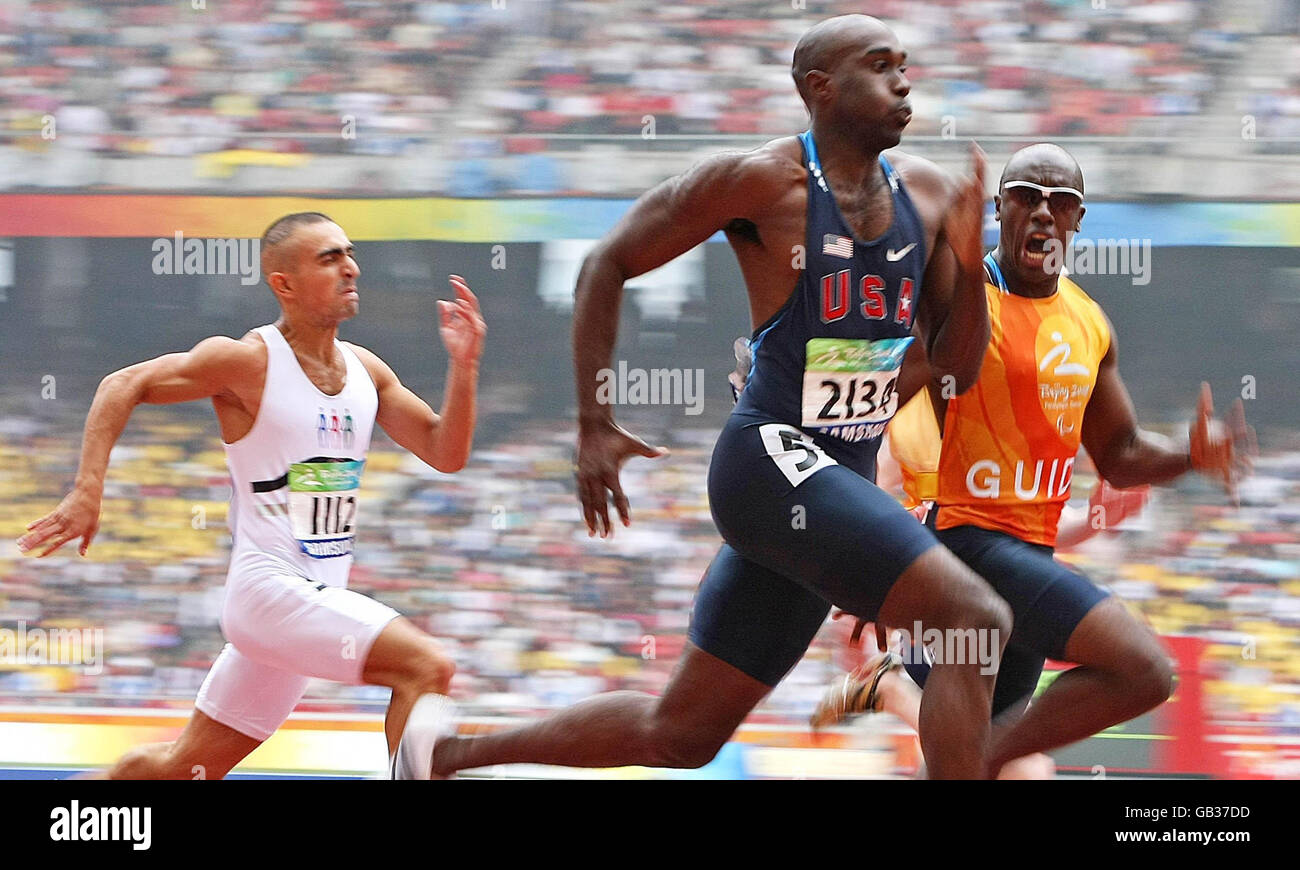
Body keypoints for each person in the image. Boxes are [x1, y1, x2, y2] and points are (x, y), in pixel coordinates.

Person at [427, 14, 1015, 780]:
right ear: (819, 88)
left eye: (905, 64)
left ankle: (449, 756)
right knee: (975, 617)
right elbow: (607, 262)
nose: (905, 81)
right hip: (768, 462)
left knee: (682, 735)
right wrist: (593, 421)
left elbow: (954, 370)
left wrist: (969, 266)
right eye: (881, 66)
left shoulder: (932, 197)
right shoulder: (759, 182)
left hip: (841, 479)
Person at [808, 144, 1254, 777]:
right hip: (964, 546)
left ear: (1078, 220)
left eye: (1060, 202)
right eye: (1025, 196)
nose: (1043, 213)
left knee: (981, 770)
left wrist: (1190, 455)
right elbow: (875, 384)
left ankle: (917, 708)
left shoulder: (1089, 323)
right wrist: (862, 553)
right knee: (1145, 669)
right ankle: (954, 735)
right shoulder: (959, 297)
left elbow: (1121, 456)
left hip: (1028, 561)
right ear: (999, 207)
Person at [17, 212, 486, 780]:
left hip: (303, 607)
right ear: (283, 284)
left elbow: (444, 451)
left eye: (349, 253)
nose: (350, 268)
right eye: (329, 258)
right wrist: (88, 489)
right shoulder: (247, 362)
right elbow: (123, 384)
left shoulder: (367, 372)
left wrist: (464, 366)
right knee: (426, 666)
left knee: (177, 771)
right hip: (268, 593)